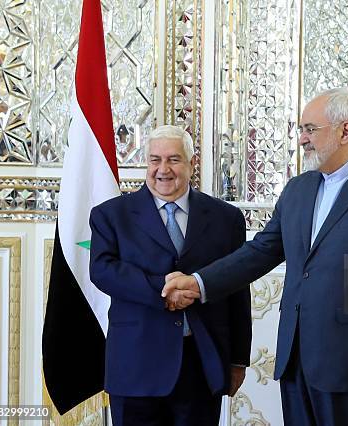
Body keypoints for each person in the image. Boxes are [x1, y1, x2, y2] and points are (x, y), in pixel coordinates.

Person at [163, 87, 348, 425]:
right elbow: (258, 253)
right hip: (295, 359)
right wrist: (198, 283)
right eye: (300, 129)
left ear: (344, 131)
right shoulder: (298, 190)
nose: (302, 139)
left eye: (309, 129)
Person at [89, 125, 251, 426]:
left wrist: (238, 360)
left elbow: (238, 291)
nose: (163, 169)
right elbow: (103, 270)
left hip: (201, 363)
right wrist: (163, 292)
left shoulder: (226, 218)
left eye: (174, 160)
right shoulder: (111, 215)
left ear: (191, 163)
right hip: (136, 366)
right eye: (155, 160)